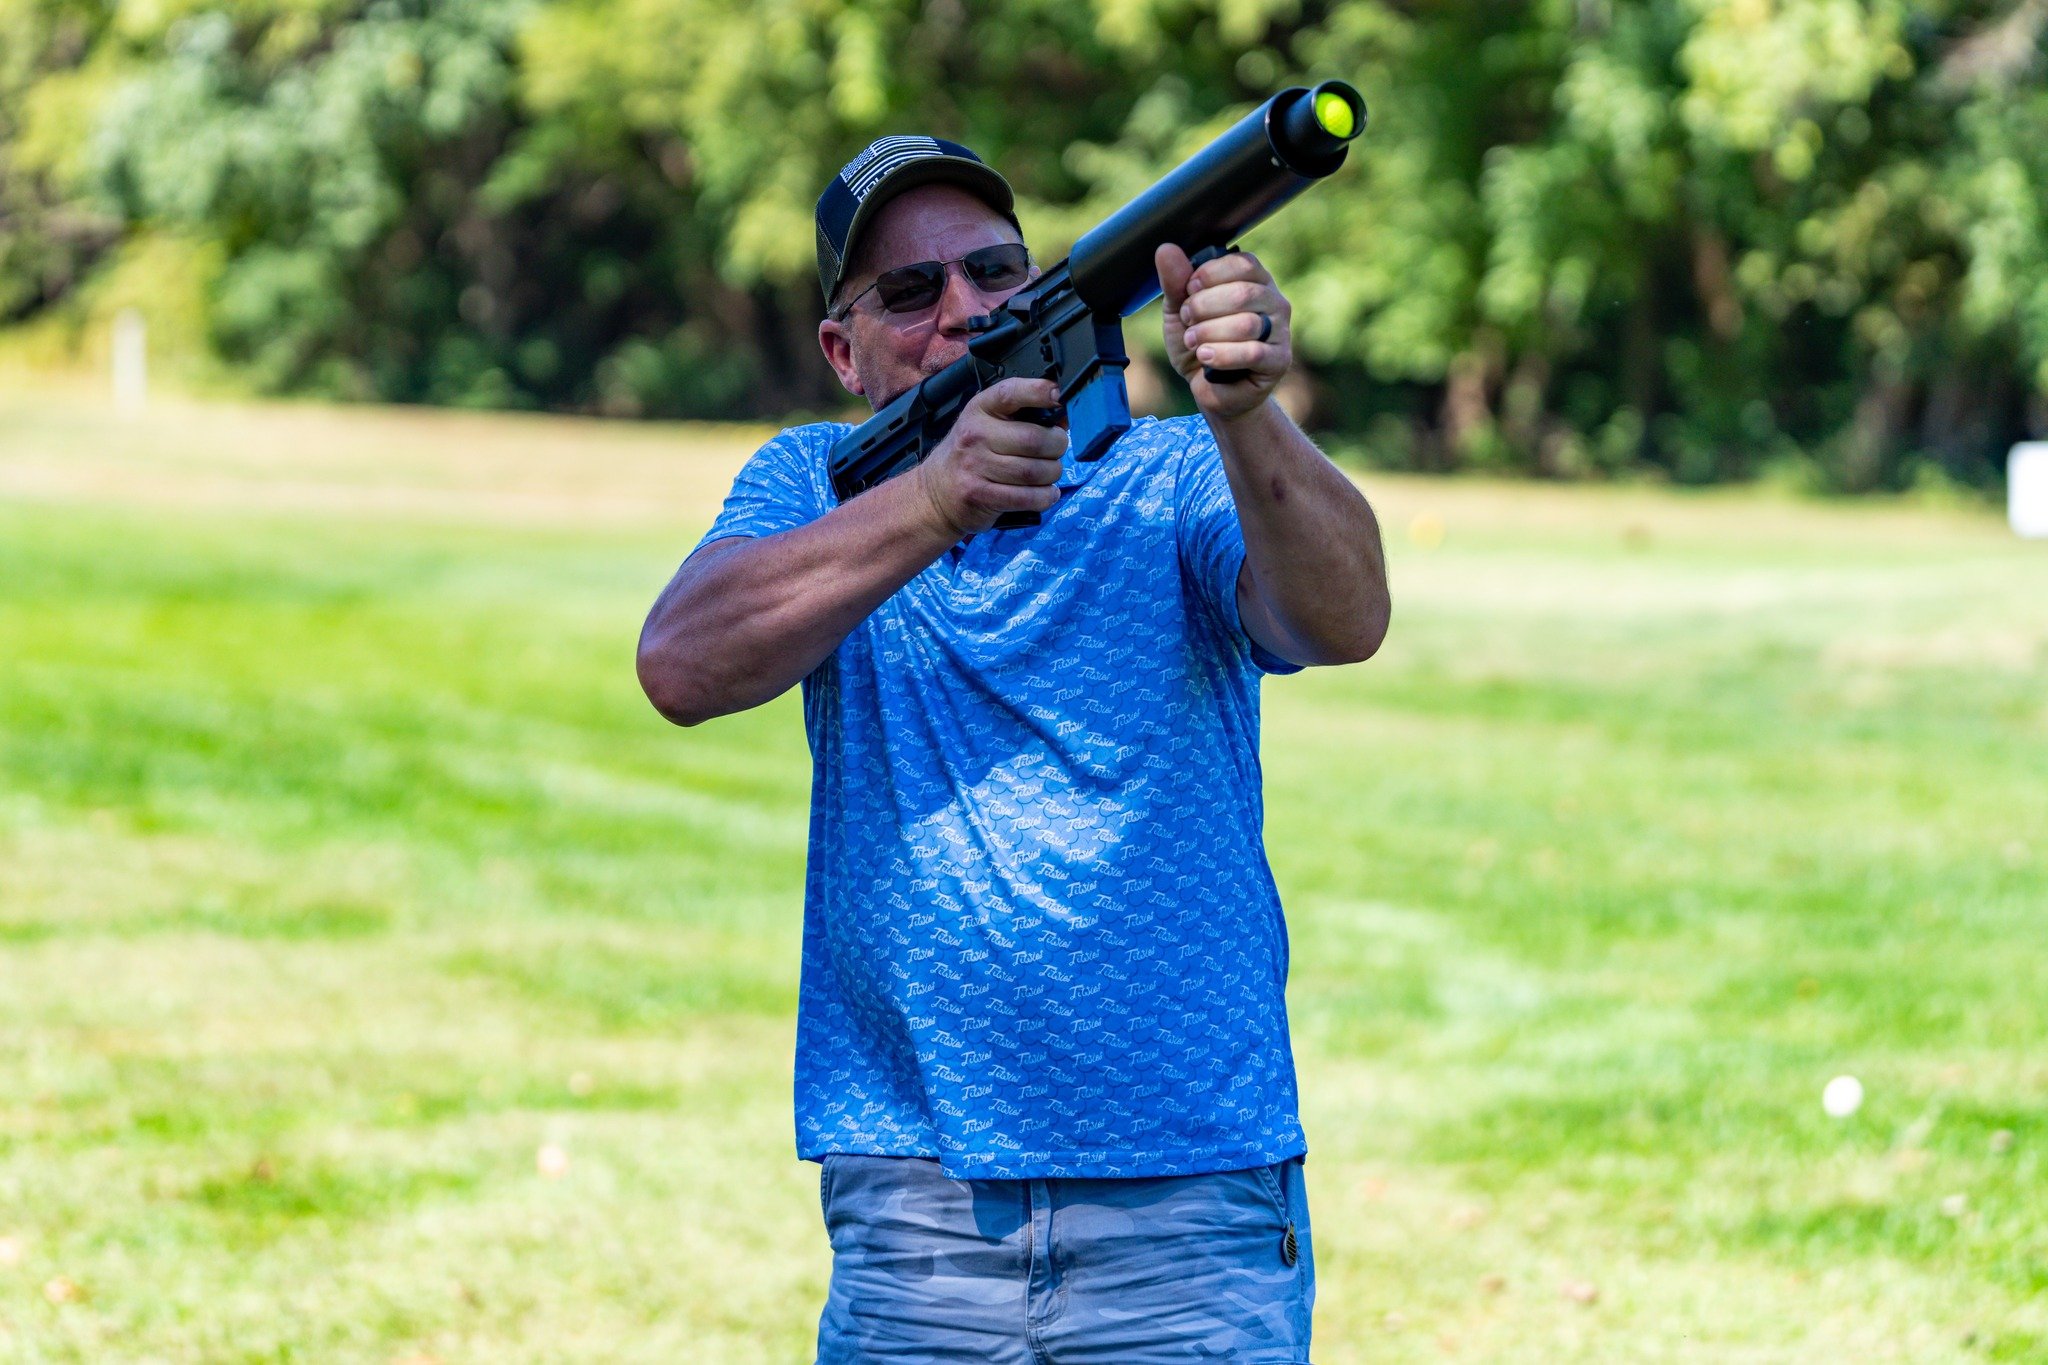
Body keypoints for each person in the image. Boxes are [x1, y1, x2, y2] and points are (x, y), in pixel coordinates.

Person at [637, 134, 1391, 1362]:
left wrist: (1249, 416)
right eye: (908, 290)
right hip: (916, 1198)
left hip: (1189, 1197)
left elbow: (1345, 617)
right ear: (842, 349)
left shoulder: (1175, 474)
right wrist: (937, 499)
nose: (963, 309)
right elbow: (681, 663)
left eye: (993, 271)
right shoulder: (815, 484)